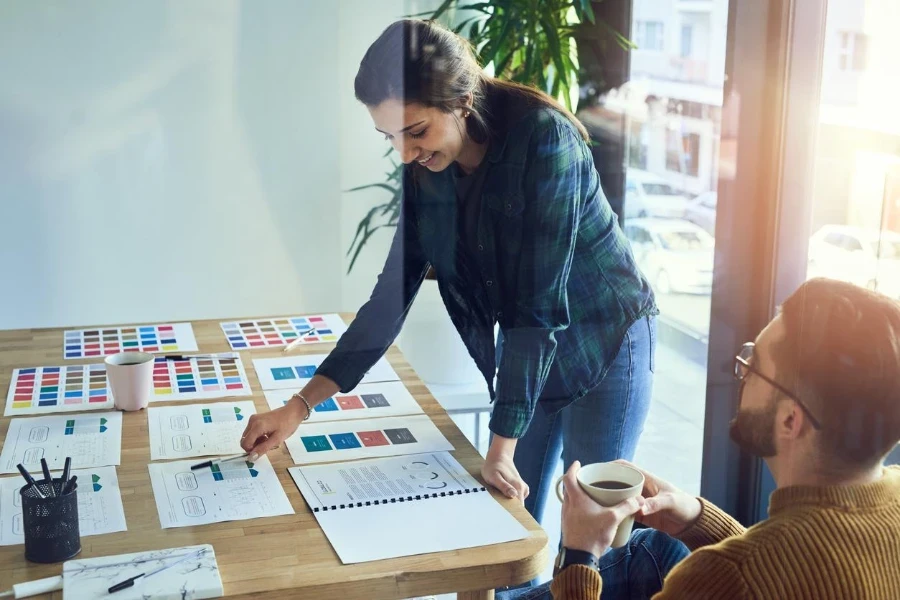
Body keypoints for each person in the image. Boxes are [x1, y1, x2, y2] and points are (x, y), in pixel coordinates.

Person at [239, 18, 657, 525]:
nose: (406, 153)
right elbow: (389, 299)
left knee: (592, 527)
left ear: (462, 100)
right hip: (530, 346)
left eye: (416, 131)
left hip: (606, 339)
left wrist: (499, 446)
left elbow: (537, 309)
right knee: (509, 515)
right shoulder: (425, 170)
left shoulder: (545, 141)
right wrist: (299, 407)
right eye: (390, 136)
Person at [531, 278, 900, 600]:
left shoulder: (723, 578)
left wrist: (579, 558)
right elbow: (800, 566)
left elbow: (755, 574)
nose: (741, 372)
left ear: (790, 420)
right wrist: (694, 518)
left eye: (753, 365)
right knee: (655, 548)